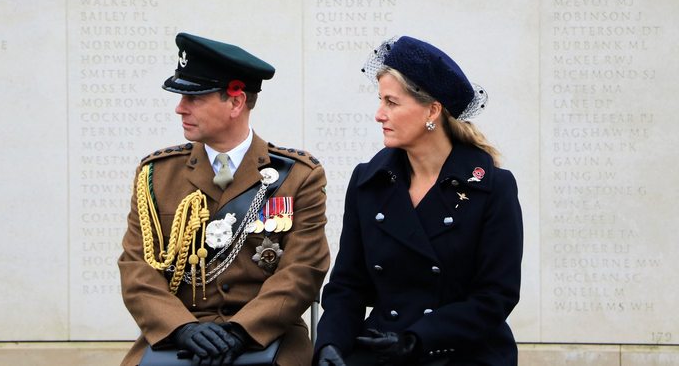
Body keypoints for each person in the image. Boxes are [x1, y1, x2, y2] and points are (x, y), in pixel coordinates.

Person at [118, 32, 330, 366]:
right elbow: (136, 268)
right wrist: (182, 328)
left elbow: (304, 269)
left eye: (195, 98)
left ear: (235, 102)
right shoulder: (156, 175)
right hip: (176, 338)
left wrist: (242, 330)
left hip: (266, 335)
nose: (179, 108)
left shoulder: (299, 176)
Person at [314, 36, 524, 365]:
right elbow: (348, 285)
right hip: (382, 349)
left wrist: (417, 339)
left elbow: (495, 296)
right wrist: (330, 345)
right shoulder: (368, 182)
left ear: (432, 110)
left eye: (391, 103)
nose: (379, 115)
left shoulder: (492, 188)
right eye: (380, 100)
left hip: (464, 354)